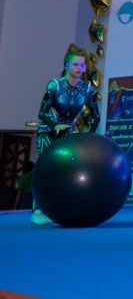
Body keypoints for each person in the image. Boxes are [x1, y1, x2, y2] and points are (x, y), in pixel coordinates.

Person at [34, 51, 100, 225]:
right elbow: (42, 113)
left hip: (68, 135)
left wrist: (90, 135)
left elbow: (96, 116)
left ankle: (63, 206)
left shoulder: (87, 88)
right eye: (76, 64)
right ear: (66, 65)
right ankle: (37, 210)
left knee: (68, 171)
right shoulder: (55, 85)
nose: (80, 68)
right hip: (48, 131)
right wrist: (55, 125)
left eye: (83, 65)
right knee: (46, 169)